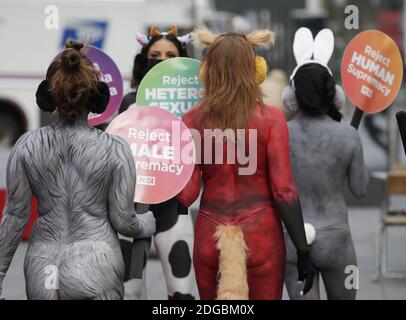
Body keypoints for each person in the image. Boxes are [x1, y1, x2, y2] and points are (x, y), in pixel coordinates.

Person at [0, 40, 155, 300]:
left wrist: (0, 274)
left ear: (48, 95)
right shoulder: (115, 149)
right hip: (95, 263)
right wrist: (145, 225)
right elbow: (123, 221)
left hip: (43, 267)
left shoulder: (27, 146)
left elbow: (15, 216)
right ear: (96, 96)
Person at [176, 28, 315, 300]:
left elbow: (186, 194)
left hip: (209, 235)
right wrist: (302, 252)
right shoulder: (272, 119)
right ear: (254, 69)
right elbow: (284, 193)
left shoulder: (191, 120)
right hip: (261, 236)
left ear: (208, 70)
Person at [282, 28, 369, 300]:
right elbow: (360, 188)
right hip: (337, 239)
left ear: (291, 95)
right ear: (335, 94)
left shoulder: (281, 133)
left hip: (294, 241)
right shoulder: (348, 135)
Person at [119, 26, 196, 300]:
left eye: (170, 55)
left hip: (174, 210)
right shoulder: (129, 102)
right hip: (131, 211)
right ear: (144, 58)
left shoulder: (195, 108)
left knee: (182, 295)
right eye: (155, 55)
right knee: (129, 293)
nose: (162, 61)